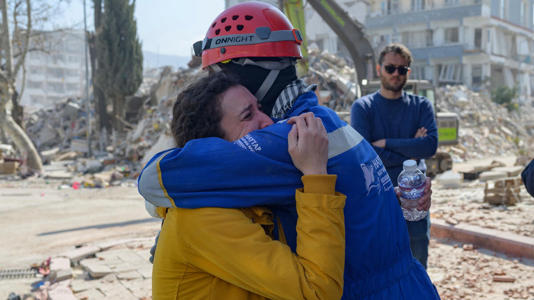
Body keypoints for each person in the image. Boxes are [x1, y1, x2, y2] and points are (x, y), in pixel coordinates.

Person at [139, 2, 440, 299]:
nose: (215, 85)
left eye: (219, 76)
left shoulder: (288, 139)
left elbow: (153, 182)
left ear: (247, 74)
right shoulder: (323, 119)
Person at [152, 72, 347, 299]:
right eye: (248, 115)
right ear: (213, 146)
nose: (268, 121)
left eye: (260, 108)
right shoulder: (202, 217)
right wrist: (315, 174)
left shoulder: (241, 194)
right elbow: (317, 291)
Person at [351, 43, 438, 269]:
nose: (396, 74)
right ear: (379, 69)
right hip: (378, 199)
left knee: (417, 266)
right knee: (380, 269)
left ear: (408, 72)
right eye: (391, 68)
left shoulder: (421, 106)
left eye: (402, 69)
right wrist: (412, 147)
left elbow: (429, 146)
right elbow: (365, 156)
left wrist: (387, 144)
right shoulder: (363, 108)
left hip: (415, 202)